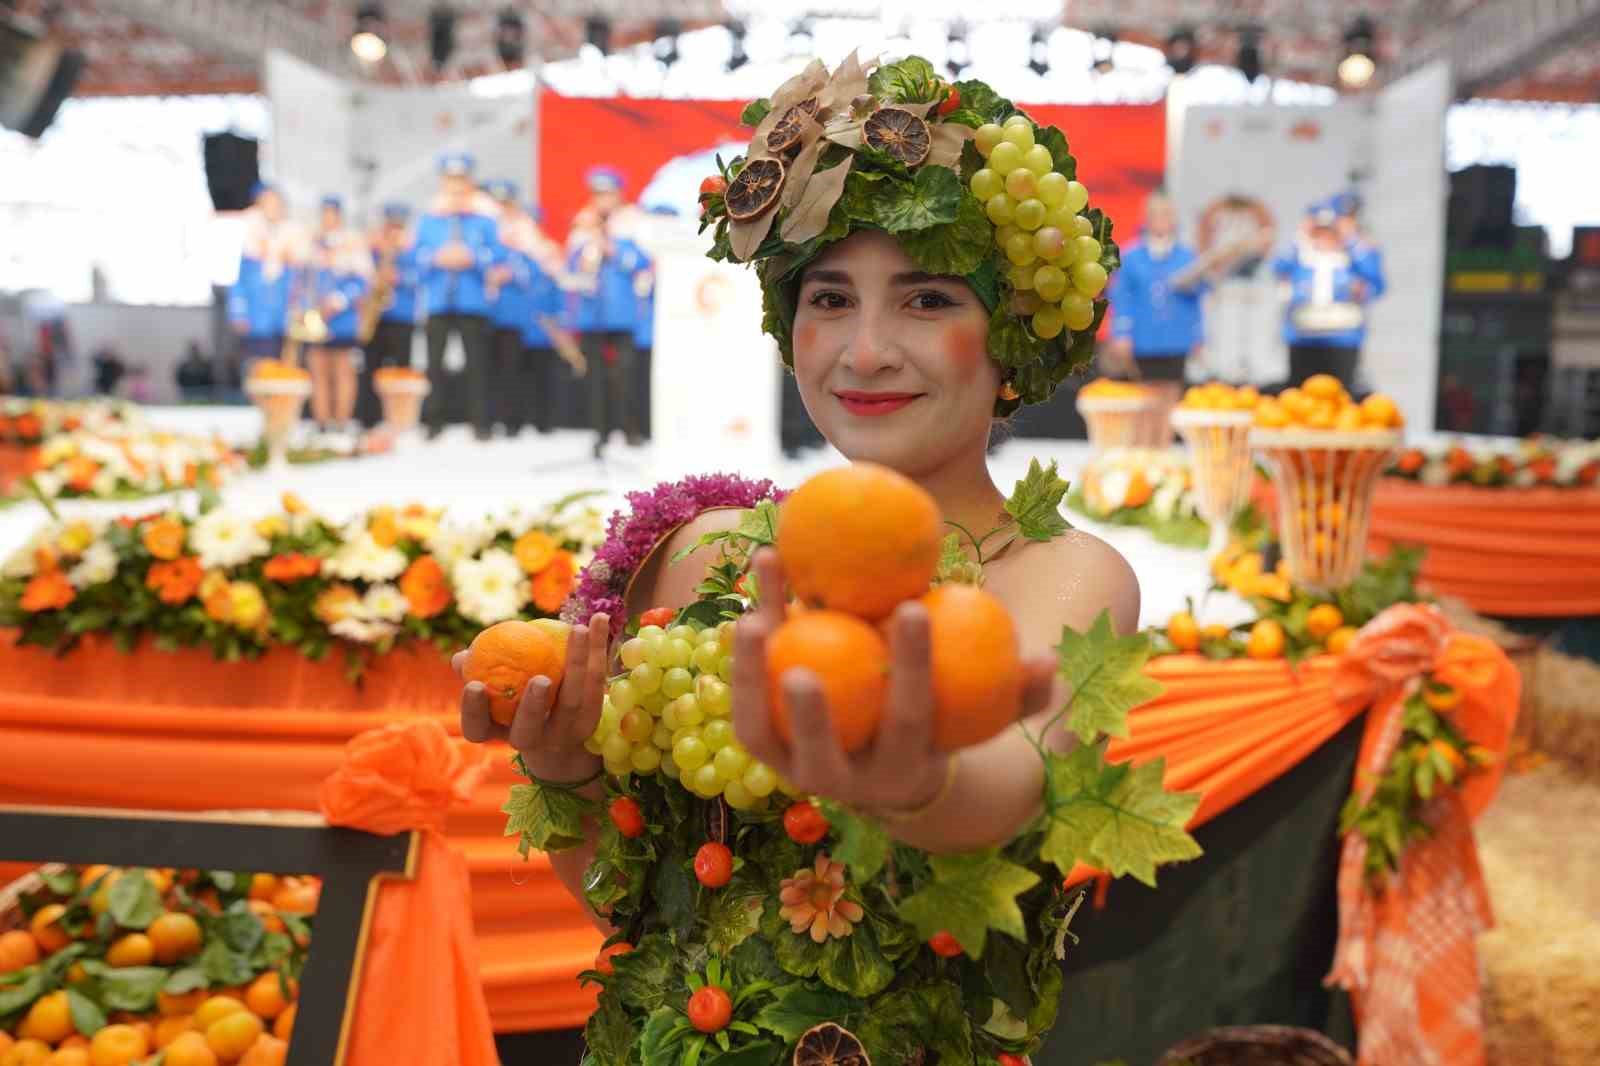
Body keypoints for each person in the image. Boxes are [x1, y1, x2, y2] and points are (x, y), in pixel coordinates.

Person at [455, 55, 1150, 1065]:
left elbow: (1012, 773)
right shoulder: (702, 555)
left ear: (1012, 336)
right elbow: (632, 917)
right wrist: (562, 767)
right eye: (829, 299)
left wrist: (917, 784)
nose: (864, 351)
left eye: (926, 301)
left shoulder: (1060, 576)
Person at [414, 153, 503, 440]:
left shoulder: (484, 220)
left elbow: (497, 254)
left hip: (472, 300)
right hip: (439, 299)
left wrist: (472, 257)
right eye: (450, 180)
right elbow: (416, 255)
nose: (455, 186)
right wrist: (436, 258)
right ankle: (433, 421)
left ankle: (480, 422)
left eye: (460, 180)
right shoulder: (429, 220)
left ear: (469, 182)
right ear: (443, 182)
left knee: (477, 364)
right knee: (434, 363)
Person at [566, 166, 650, 458]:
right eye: (598, 194)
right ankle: (599, 432)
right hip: (592, 315)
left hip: (623, 314)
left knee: (626, 376)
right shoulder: (583, 226)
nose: (602, 200)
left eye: (608, 194)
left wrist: (615, 250)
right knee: (596, 378)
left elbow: (642, 262)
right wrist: (585, 247)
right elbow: (571, 269)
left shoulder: (632, 223)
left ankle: (630, 428)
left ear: (618, 195)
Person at [1106, 189, 1207, 423]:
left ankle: (1163, 441)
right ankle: (1146, 442)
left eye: (1166, 214)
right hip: (1144, 339)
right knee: (1145, 399)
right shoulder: (1130, 257)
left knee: (1171, 398)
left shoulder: (1187, 257)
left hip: (1176, 338)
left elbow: (1198, 299)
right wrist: (1121, 333)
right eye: (1156, 214)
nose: (1161, 220)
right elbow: (1121, 297)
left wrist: (1199, 337)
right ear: (1146, 219)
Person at [1276, 201, 1386, 389]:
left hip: (1342, 338)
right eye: (1319, 231)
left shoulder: (1353, 258)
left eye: (1330, 231)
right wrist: (1301, 236)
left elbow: (1376, 282)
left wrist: (1351, 239)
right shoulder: (1301, 255)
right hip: (1303, 336)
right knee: (1300, 390)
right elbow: (1278, 266)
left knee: (1340, 391)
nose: (1325, 237)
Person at [304, 195, 371, 435]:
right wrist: (311, 306)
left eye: (332, 214)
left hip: (343, 318)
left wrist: (338, 301)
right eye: (325, 214)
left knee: (343, 370)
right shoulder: (312, 245)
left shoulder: (353, 245)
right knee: (318, 369)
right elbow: (303, 281)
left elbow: (363, 283)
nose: (328, 219)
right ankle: (321, 420)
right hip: (316, 317)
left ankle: (342, 420)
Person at [228, 183, 300, 384]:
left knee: (285, 366)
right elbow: (239, 282)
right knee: (258, 366)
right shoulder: (248, 239)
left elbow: (300, 281)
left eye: (275, 203)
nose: (272, 207)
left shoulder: (292, 236)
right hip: (257, 318)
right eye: (266, 203)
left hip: (284, 318)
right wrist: (239, 313)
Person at [357, 202, 421, 428]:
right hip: (376, 317)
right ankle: (369, 418)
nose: (393, 231)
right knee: (371, 368)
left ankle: (401, 418)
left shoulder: (412, 251)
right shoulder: (373, 250)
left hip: (402, 316)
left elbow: (420, 277)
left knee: (402, 369)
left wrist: (399, 277)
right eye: (390, 225)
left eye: (398, 226)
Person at [483, 180, 537, 436]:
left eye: (505, 204)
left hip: (512, 313)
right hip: (484, 312)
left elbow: (533, 271)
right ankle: (487, 419)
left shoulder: (523, 232)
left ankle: (512, 420)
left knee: (511, 368)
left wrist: (511, 272)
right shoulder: (484, 230)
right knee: (486, 368)